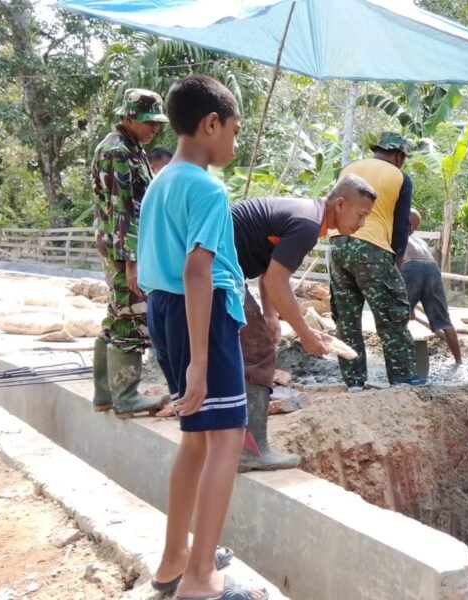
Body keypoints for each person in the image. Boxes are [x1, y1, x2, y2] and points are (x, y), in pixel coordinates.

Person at [137, 75, 267, 600]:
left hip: (164, 310)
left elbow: (147, 269)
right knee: (228, 439)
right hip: (202, 315)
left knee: (195, 437)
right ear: (211, 123)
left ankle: (175, 560)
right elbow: (198, 271)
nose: (234, 143)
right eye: (234, 131)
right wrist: (199, 361)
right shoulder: (208, 188)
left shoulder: (161, 182)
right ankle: (200, 580)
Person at [230, 176, 376, 471]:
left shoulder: (308, 215)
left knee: (238, 351)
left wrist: (270, 315)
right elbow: (277, 280)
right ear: (340, 204)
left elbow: (269, 269)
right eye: (361, 215)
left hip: (214, 265)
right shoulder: (308, 225)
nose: (361, 224)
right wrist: (306, 335)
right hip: (216, 267)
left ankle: (231, 443)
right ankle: (251, 451)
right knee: (258, 353)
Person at [90, 88, 167, 417]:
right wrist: (132, 262)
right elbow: (123, 211)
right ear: (130, 117)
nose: (155, 129)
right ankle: (126, 397)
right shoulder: (118, 151)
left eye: (157, 123)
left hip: (120, 249)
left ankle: (105, 394)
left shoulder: (127, 147)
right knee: (132, 319)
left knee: (114, 318)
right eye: (150, 122)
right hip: (124, 251)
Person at [330, 132, 424, 389]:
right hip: (372, 248)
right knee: (392, 315)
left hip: (338, 244)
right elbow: (401, 226)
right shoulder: (399, 177)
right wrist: (397, 261)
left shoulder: (348, 170)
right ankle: (402, 378)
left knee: (346, 319)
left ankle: (354, 382)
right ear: (398, 156)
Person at [401, 209, 462, 365]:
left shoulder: (396, 236)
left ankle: (401, 363)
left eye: (414, 228)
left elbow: (397, 264)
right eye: (412, 227)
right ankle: (459, 361)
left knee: (398, 319)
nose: (412, 231)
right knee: (445, 321)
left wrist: (406, 305)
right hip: (432, 267)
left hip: (410, 266)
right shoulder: (421, 242)